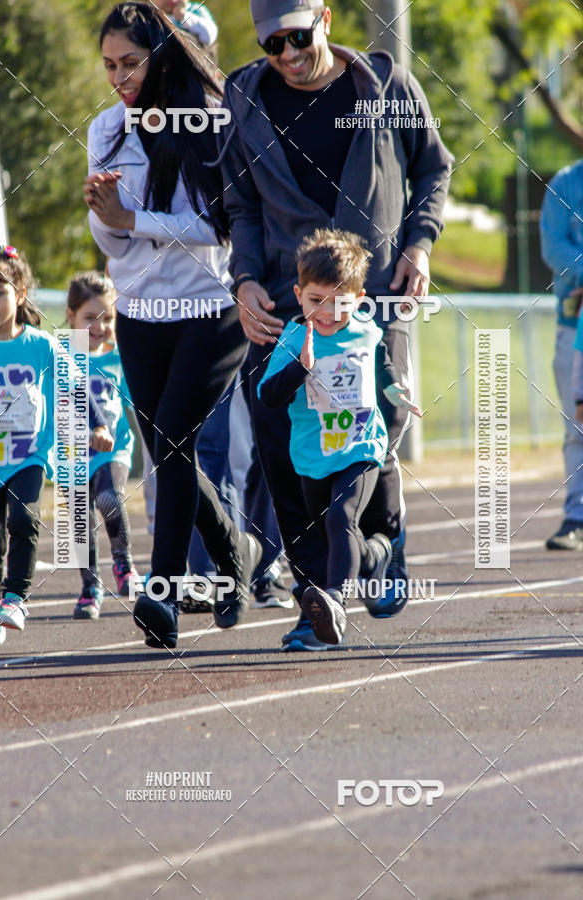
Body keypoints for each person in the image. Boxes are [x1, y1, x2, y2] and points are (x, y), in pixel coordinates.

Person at [217, 0, 453, 649]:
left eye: (298, 37)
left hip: (373, 297)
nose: (288, 56)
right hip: (284, 304)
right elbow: (237, 204)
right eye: (272, 45)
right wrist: (242, 282)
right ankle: (313, 600)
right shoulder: (244, 98)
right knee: (286, 456)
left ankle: (384, 543)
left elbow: (435, 167)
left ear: (324, 16)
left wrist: (420, 243)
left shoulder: (386, 85)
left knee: (376, 423)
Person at [85, 3, 261, 649]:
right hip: (139, 311)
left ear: (160, 54)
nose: (119, 76)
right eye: (108, 64)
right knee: (170, 450)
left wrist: (134, 221)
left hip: (213, 308)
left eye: (130, 62)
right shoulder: (106, 127)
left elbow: (220, 229)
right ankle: (234, 548)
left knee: (175, 440)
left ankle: (160, 593)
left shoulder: (210, 119)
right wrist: (108, 216)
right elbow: (116, 245)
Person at [259, 229, 421, 645]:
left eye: (341, 305)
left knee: (340, 518)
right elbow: (268, 396)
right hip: (312, 458)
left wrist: (395, 390)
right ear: (298, 294)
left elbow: (382, 366)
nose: (329, 314)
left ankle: (335, 604)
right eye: (317, 302)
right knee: (334, 538)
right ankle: (379, 554)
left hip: (359, 449)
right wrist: (299, 368)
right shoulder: (294, 340)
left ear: (360, 298)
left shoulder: (366, 329)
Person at [0, 246, 113, 646]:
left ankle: (16, 597)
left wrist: (97, 424)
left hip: (29, 454)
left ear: (19, 294)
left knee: (23, 518)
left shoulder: (40, 345)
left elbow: (75, 383)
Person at [65, 271, 140, 619]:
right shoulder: (58, 355)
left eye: (107, 318)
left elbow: (138, 400)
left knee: (108, 497)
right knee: (80, 522)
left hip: (113, 447)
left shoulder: (119, 358)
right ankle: (90, 587)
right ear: (71, 316)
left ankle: (123, 564)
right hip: (70, 453)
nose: (99, 326)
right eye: (89, 318)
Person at [540, 166, 583, 550]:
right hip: (575, 326)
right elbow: (553, 248)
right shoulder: (566, 184)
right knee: (578, 425)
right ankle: (576, 517)